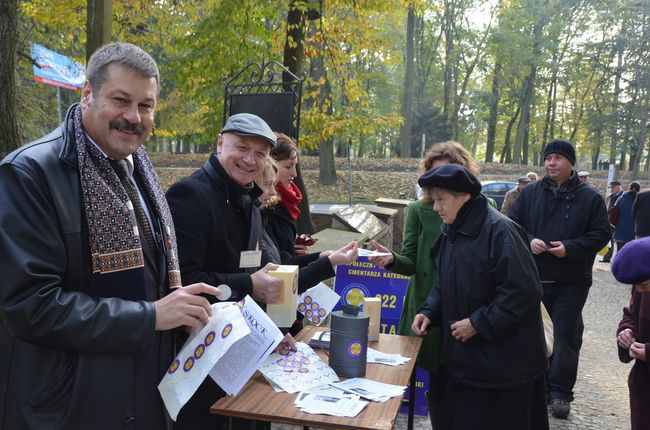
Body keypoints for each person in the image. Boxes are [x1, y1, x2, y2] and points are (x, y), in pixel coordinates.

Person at [0, 42, 222, 429]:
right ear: (88, 94)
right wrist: (151, 316)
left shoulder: (141, 171)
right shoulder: (29, 174)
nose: (133, 116)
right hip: (70, 406)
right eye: (120, 100)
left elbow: (152, 285)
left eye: (146, 105)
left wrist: (188, 313)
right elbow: (29, 307)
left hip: (144, 395)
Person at [166, 113, 288, 429]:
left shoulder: (248, 199)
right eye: (242, 148)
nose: (250, 160)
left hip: (242, 353)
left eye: (260, 154)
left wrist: (270, 335)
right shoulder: (191, 195)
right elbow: (184, 282)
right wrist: (249, 283)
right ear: (220, 143)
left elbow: (247, 270)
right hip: (202, 357)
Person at [412, 164, 548, 430]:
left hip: (503, 367)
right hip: (468, 362)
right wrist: (429, 311)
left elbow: (524, 292)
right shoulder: (450, 230)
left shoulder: (500, 230)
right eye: (433, 200)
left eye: (441, 200)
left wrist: (478, 323)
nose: (436, 207)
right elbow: (446, 280)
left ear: (464, 196)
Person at [369, 140, 486, 430]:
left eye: (448, 174)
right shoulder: (421, 211)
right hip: (428, 307)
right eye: (434, 176)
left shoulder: (486, 209)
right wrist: (391, 260)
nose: (439, 185)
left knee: (468, 386)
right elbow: (410, 261)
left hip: (467, 307)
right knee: (437, 383)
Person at [508, 139, 610, 419]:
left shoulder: (590, 197)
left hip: (572, 280)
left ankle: (561, 393)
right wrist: (529, 241)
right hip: (535, 278)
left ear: (571, 163)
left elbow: (602, 234)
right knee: (535, 334)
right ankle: (535, 387)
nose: (551, 163)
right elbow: (511, 226)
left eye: (558, 158)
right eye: (548, 158)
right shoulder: (528, 195)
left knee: (565, 334)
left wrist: (571, 248)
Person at [255, 158, 359, 291]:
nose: (273, 192)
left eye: (273, 185)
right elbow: (281, 281)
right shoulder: (263, 217)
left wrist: (323, 257)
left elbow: (282, 267)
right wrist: (330, 261)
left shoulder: (261, 217)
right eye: (268, 184)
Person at [614, 237, 650, 430]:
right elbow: (630, 313)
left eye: (644, 284)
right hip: (643, 383)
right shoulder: (641, 287)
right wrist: (626, 331)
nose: (640, 290)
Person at [600, 180, 624, 262]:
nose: (611, 189)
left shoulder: (623, 196)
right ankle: (606, 257)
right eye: (610, 187)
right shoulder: (609, 197)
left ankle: (619, 259)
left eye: (613, 187)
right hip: (609, 222)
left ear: (618, 187)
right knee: (608, 241)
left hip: (619, 222)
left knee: (620, 242)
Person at [612, 182, 640, 250]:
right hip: (634, 233)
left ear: (630, 188)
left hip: (620, 232)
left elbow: (613, 214)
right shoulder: (640, 200)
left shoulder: (620, 199)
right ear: (638, 190)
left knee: (620, 253)